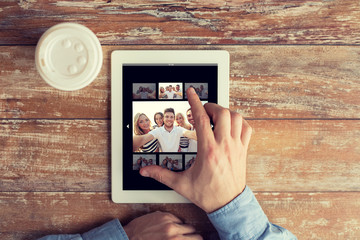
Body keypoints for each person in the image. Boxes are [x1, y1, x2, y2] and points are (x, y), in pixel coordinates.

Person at [39, 87, 297, 240]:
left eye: (173, 115)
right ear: (162, 119)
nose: (171, 118)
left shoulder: (180, 131)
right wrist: (232, 204)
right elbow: (138, 142)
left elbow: (192, 136)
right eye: (168, 116)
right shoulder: (158, 132)